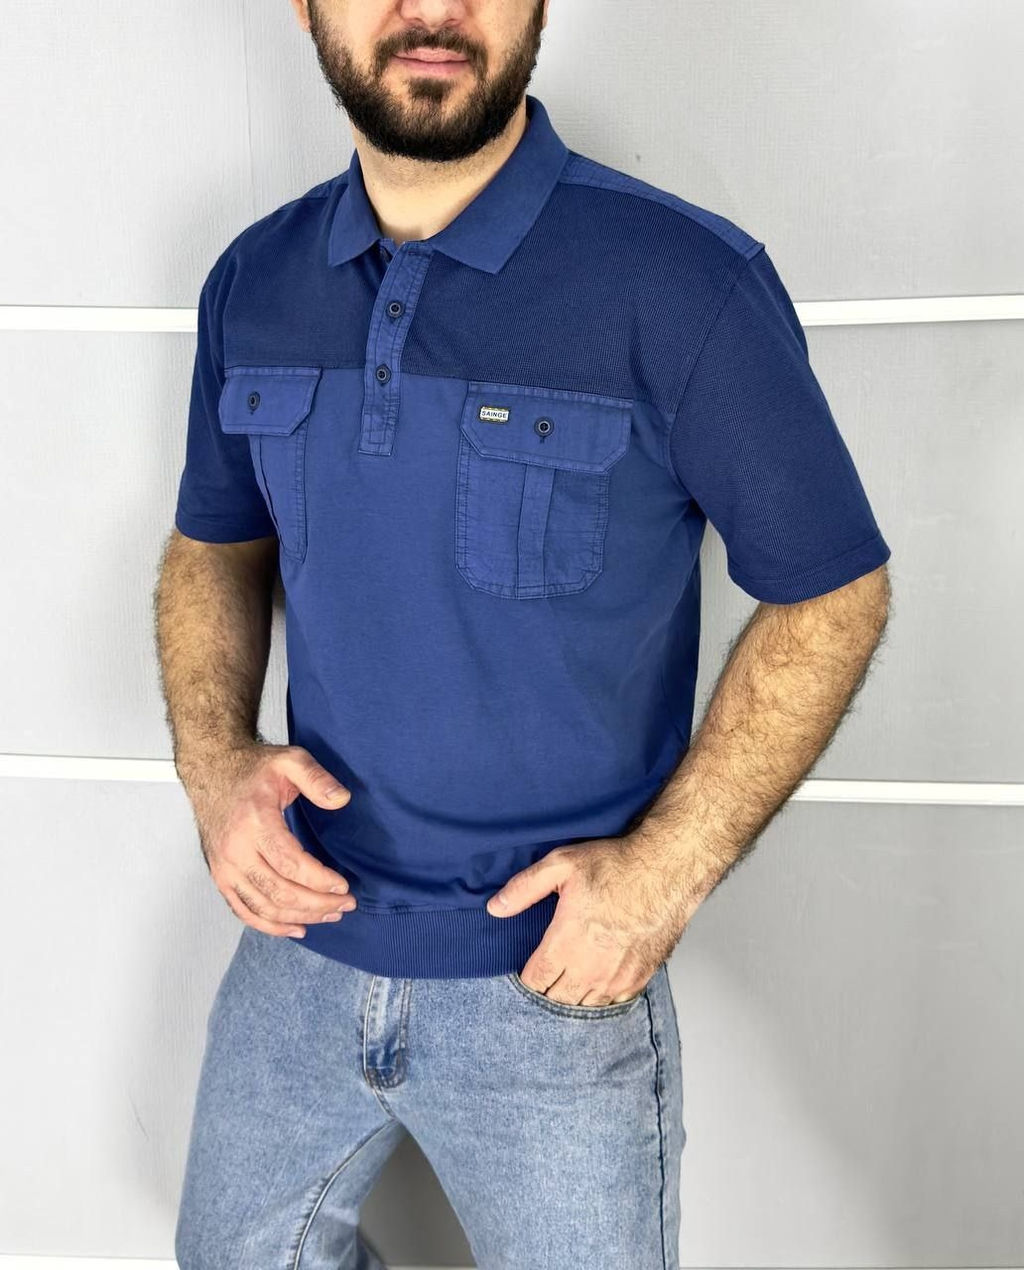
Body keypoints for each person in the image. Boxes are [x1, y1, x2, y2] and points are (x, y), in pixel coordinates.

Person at [156, 1, 892, 1266]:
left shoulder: (681, 280)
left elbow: (833, 589)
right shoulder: (252, 280)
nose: (431, 10)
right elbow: (211, 547)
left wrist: (662, 873)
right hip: (299, 946)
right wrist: (214, 763)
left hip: (551, 985)